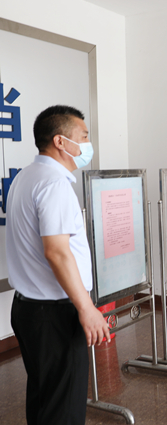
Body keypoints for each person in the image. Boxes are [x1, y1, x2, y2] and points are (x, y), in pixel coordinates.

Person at [7, 105, 111, 425]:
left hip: (29, 309)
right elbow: (57, 252)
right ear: (60, 141)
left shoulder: (26, 176)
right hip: (55, 315)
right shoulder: (54, 183)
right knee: (63, 408)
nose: (87, 144)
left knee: (45, 398)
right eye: (84, 136)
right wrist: (86, 308)